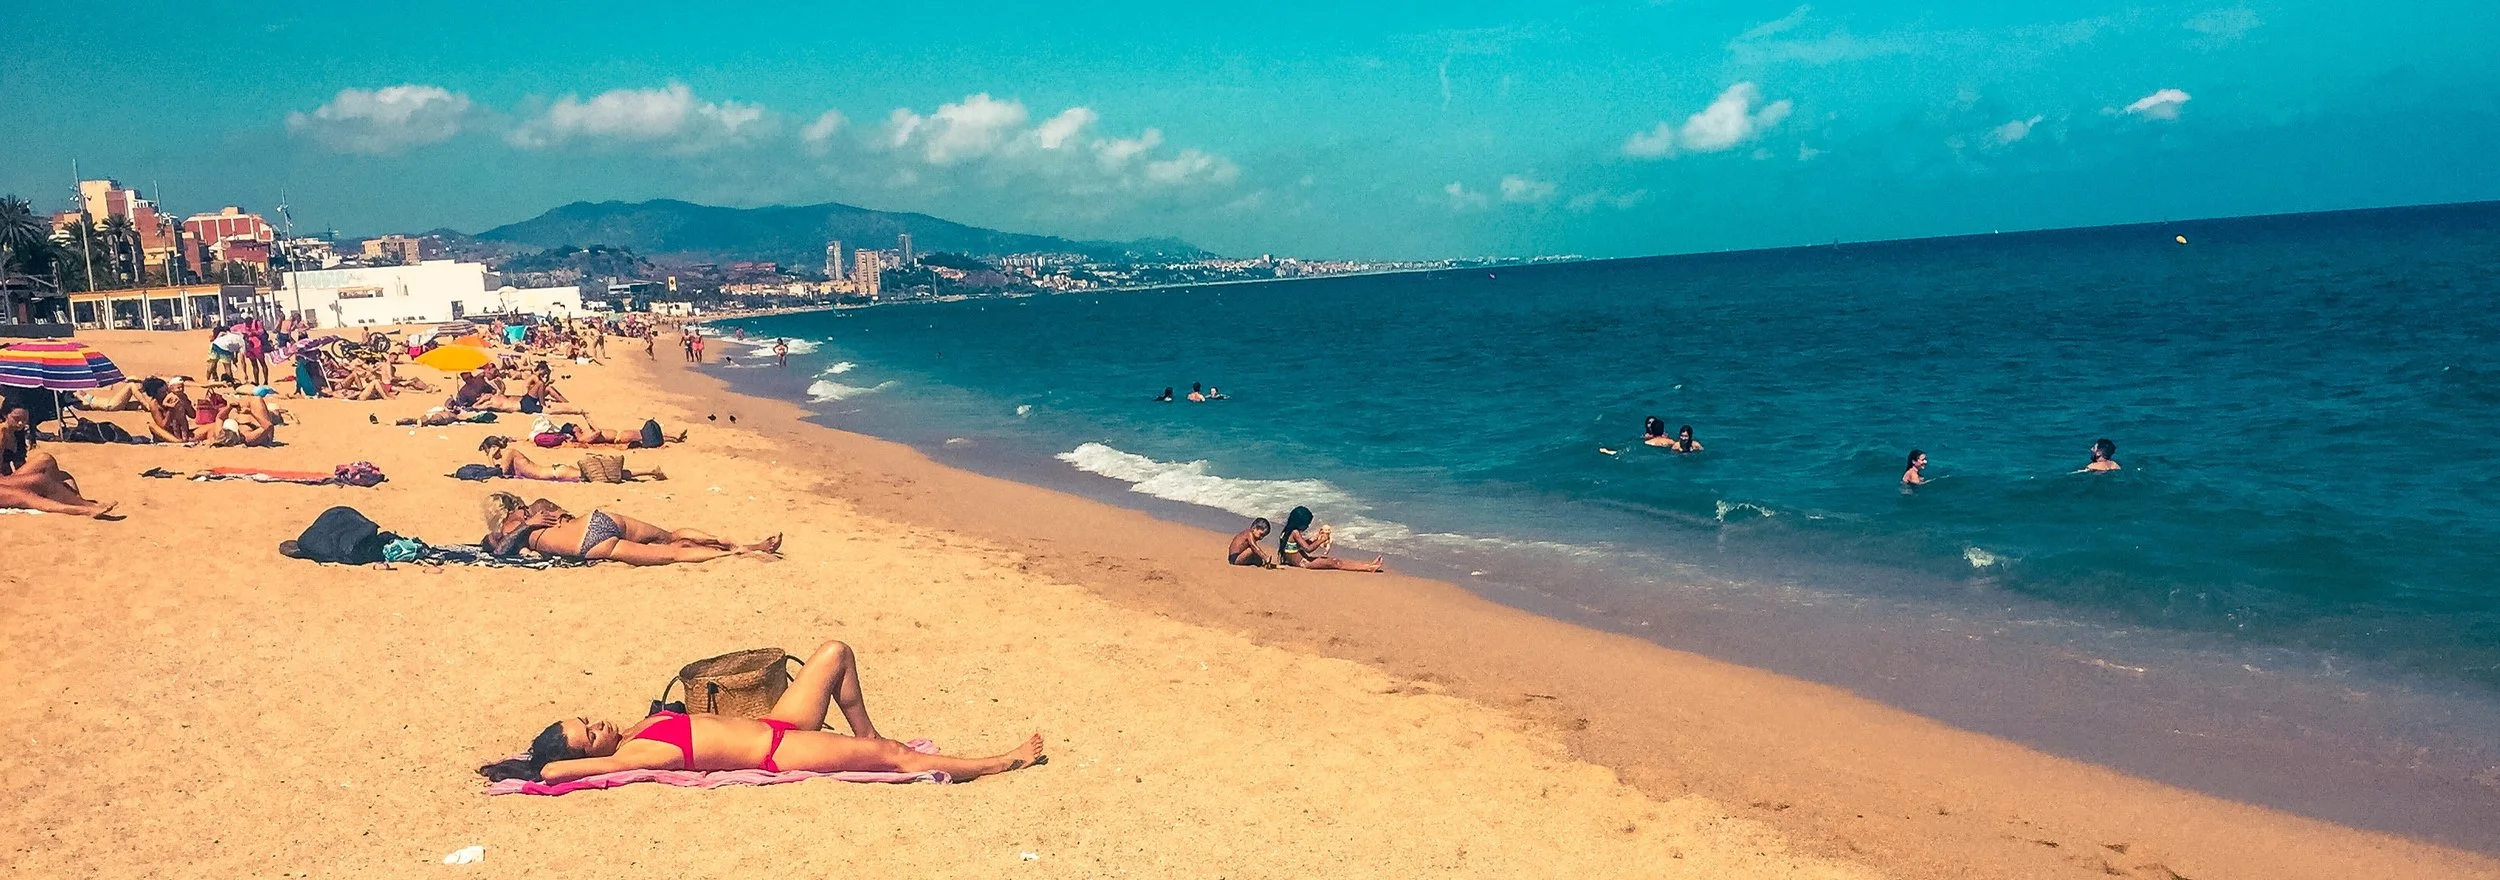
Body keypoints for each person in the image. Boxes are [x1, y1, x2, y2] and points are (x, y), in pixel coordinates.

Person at [477, 639, 1045, 785]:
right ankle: (997, 763)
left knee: (835, 653)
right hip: (780, 751)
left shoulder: (637, 727)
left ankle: (869, 734)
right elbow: (556, 771)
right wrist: (535, 766)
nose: (598, 725)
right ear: (593, 754)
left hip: (777, 724)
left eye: (586, 719)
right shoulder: (634, 754)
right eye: (589, 735)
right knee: (895, 758)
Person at [482, 493, 774, 565]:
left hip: (589, 543)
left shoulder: (511, 530)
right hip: (597, 520)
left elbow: (500, 551)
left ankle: (735, 552)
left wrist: (527, 529)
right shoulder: (532, 513)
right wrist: (531, 523)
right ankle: (721, 540)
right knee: (669, 537)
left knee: (673, 554)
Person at [478, 435, 664, 482]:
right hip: (556, 472)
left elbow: (500, 474)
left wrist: (490, 458)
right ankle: (649, 471)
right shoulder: (510, 453)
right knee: (607, 474)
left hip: (557, 473)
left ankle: (649, 470)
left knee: (605, 475)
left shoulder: (509, 452)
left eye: (489, 450)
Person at [0, 451, 116, 517]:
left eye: (24, 419)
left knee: (47, 461)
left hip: (5, 478)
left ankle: (77, 500)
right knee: (28, 492)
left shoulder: (16, 433)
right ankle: (83, 509)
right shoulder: (3, 433)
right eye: (17, 419)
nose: (21, 423)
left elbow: (17, 463)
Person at [1276, 506, 1384, 572]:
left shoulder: (1287, 531)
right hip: (1304, 562)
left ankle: (1368, 565)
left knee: (1333, 561)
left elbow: (1299, 546)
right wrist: (1322, 540)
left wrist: (1315, 538)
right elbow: (1308, 549)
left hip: (1300, 561)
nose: (1307, 526)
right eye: (1306, 524)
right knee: (1336, 562)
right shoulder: (1295, 533)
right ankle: (1368, 567)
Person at [0, 406, 32, 475]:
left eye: (24, 419)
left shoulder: (18, 432)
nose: (20, 423)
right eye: (16, 418)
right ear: (5, 415)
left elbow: (20, 463)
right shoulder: (2, 432)